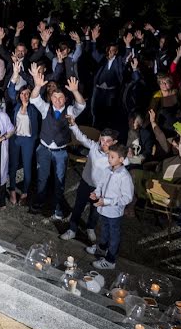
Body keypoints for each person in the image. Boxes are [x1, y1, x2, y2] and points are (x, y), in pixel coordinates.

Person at [28, 65, 87, 220]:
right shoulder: (45, 108)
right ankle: (39, 203)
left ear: (65, 99)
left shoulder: (69, 111)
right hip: (44, 149)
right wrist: (38, 85)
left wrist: (75, 91)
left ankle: (58, 208)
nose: (57, 100)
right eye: (55, 97)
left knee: (60, 181)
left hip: (60, 152)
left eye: (61, 98)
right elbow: (34, 98)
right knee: (42, 178)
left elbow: (81, 105)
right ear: (51, 98)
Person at [60, 122, 121, 243]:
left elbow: (125, 164)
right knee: (78, 207)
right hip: (85, 183)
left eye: (107, 141)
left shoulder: (115, 156)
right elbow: (80, 137)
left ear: (114, 142)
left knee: (95, 211)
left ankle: (90, 228)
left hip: (100, 189)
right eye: (102, 140)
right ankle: (72, 230)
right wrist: (73, 124)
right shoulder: (93, 147)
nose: (104, 143)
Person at [85, 144, 134, 270]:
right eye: (109, 156)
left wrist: (106, 201)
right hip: (104, 209)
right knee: (104, 230)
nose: (109, 159)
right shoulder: (107, 170)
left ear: (121, 159)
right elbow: (101, 184)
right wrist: (96, 193)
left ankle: (110, 260)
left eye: (112, 157)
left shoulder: (124, 177)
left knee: (114, 236)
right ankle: (101, 249)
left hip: (114, 213)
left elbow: (127, 197)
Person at [7, 73, 40, 206]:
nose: (24, 96)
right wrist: (15, 74)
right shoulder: (16, 106)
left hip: (28, 141)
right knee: (13, 165)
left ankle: (25, 192)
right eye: (22, 94)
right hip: (15, 139)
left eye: (27, 93)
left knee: (27, 166)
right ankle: (13, 190)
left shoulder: (34, 108)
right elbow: (10, 90)